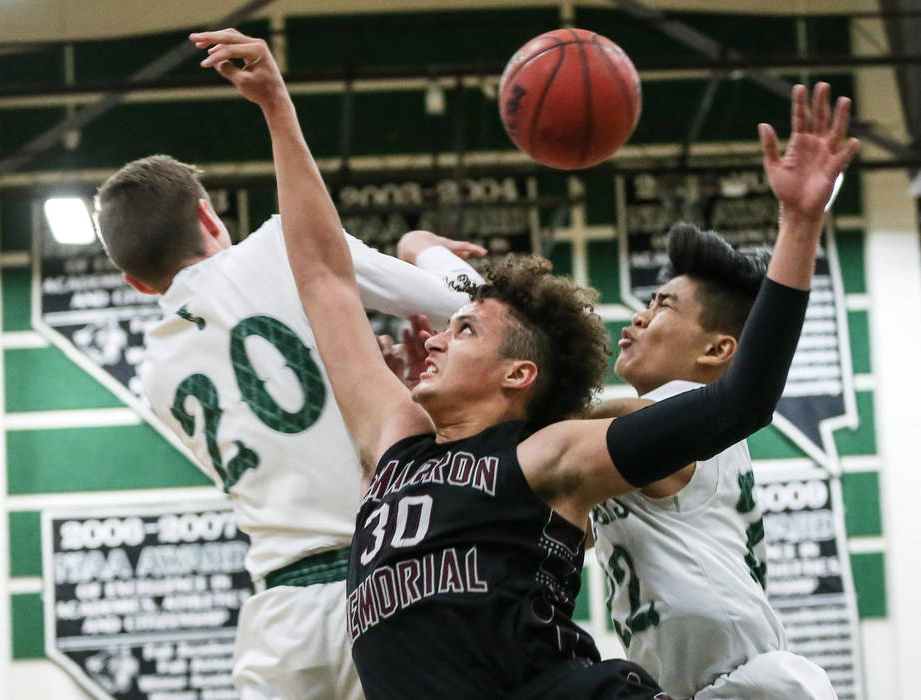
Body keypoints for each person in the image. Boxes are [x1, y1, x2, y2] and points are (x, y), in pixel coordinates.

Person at [192, 27, 857, 699]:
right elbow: (324, 278)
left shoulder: (549, 456)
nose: (438, 340)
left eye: (466, 330)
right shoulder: (396, 441)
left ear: (518, 375)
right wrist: (277, 105)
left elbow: (741, 403)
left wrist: (798, 226)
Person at [93, 153, 482, 698]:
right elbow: (473, 308)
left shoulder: (156, 375)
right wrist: (427, 250)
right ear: (209, 218)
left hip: (279, 616)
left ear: (136, 283)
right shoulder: (280, 245)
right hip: (389, 578)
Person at [590, 224, 836, 699]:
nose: (640, 318)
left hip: (742, 682)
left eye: (663, 305)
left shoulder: (659, 414)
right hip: (704, 682)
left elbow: (548, 428)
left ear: (717, 349)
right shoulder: (659, 437)